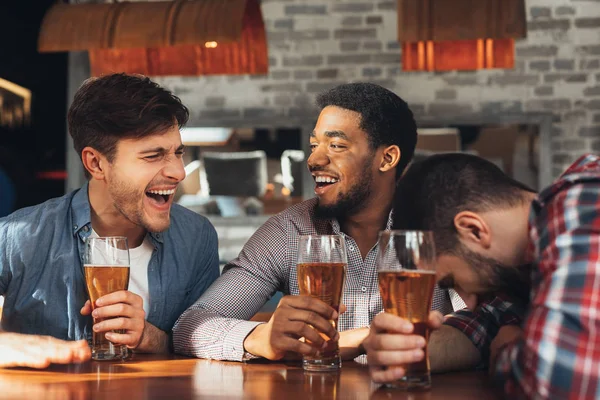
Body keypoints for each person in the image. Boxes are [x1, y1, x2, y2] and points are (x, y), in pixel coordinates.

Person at [173, 83, 470, 362]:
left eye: (336, 146)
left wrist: (363, 340)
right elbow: (190, 327)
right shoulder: (288, 231)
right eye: (314, 144)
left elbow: (479, 327)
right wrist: (259, 336)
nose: (314, 160)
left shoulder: (437, 229)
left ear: (387, 158)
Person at [0, 73, 219, 368]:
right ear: (96, 163)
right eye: (153, 156)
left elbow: (208, 340)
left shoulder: (197, 236)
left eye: (177, 153)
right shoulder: (20, 235)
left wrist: (150, 338)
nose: (179, 172)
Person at [364, 153, 600, 398]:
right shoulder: (519, 274)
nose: (469, 301)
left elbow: (556, 385)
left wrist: (505, 351)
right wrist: (399, 350)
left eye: (452, 282)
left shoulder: (579, 208)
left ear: (473, 230)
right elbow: (481, 327)